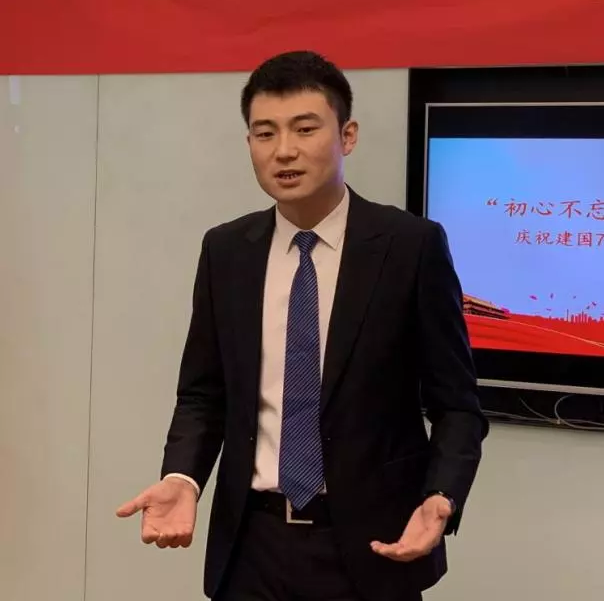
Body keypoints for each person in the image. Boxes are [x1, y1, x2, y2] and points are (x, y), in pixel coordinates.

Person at [117, 50, 489, 601]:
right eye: (264, 133)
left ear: (347, 136)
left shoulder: (410, 247)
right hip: (252, 544)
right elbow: (202, 394)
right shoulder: (227, 251)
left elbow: (456, 405)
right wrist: (182, 476)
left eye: (305, 128)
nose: (284, 150)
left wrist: (442, 495)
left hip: (370, 545)